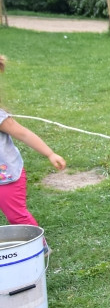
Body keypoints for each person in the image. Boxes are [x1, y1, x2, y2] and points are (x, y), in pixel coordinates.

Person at [0, 55, 66, 237]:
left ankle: (39, 249)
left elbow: (24, 133)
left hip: (6, 177)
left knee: (17, 216)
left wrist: (50, 154)